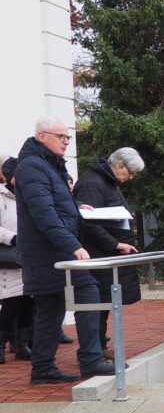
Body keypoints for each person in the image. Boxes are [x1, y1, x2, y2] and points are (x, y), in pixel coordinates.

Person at [15, 118, 112, 383]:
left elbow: (54, 204)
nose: (67, 141)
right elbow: (43, 214)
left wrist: (78, 206)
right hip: (49, 253)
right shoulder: (33, 166)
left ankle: (43, 368)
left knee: (50, 308)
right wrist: (73, 246)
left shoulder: (47, 164)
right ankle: (91, 360)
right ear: (42, 136)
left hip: (49, 252)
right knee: (87, 290)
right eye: (61, 136)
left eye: (68, 137)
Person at [73, 147, 145, 360]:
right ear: (119, 164)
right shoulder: (93, 184)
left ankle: (99, 345)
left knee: (104, 302)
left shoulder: (107, 182)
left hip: (106, 254)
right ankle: (93, 350)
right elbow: (88, 222)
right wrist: (115, 243)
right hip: (98, 254)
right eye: (130, 172)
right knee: (97, 303)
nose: (131, 178)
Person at [0, 156, 33, 363]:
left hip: (29, 254)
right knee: (11, 302)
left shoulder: (26, 195)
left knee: (28, 300)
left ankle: (22, 345)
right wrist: (11, 238)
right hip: (9, 254)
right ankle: (1, 345)